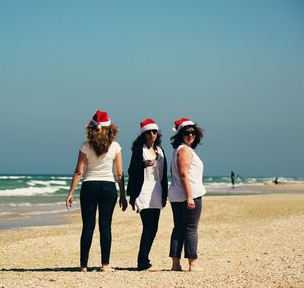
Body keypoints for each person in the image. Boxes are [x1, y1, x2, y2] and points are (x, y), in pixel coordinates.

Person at [66, 110, 128, 272]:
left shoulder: (85, 146)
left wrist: (71, 192)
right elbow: (119, 173)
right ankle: (105, 265)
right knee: (105, 226)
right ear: (109, 128)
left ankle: (83, 265)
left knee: (88, 226)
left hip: (89, 186)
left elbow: (79, 171)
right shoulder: (115, 146)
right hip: (108, 187)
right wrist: (123, 195)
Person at [127, 118, 168, 271]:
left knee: (154, 228)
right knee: (148, 226)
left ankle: (144, 259)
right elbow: (131, 170)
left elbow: (163, 176)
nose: (152, 134)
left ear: (157, 133)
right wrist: (142, 165)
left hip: (157, 191)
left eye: (154, 131)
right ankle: (142, 261)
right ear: (143, 134)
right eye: (149, 132)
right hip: (143, 190)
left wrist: (165, 195)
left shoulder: (161, 151)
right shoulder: (139, 150)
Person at [168, 118, 206, 272]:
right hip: (188, 195)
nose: (190, 135)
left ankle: (175, 264)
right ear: (180, 134)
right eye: (187, 133)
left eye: (193, 133)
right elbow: (184, 174)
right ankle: (193, 264)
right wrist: (190, 197)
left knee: (179, 228)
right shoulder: (184, 150)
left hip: (177, 195)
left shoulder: (179, 149)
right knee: (190, 228)